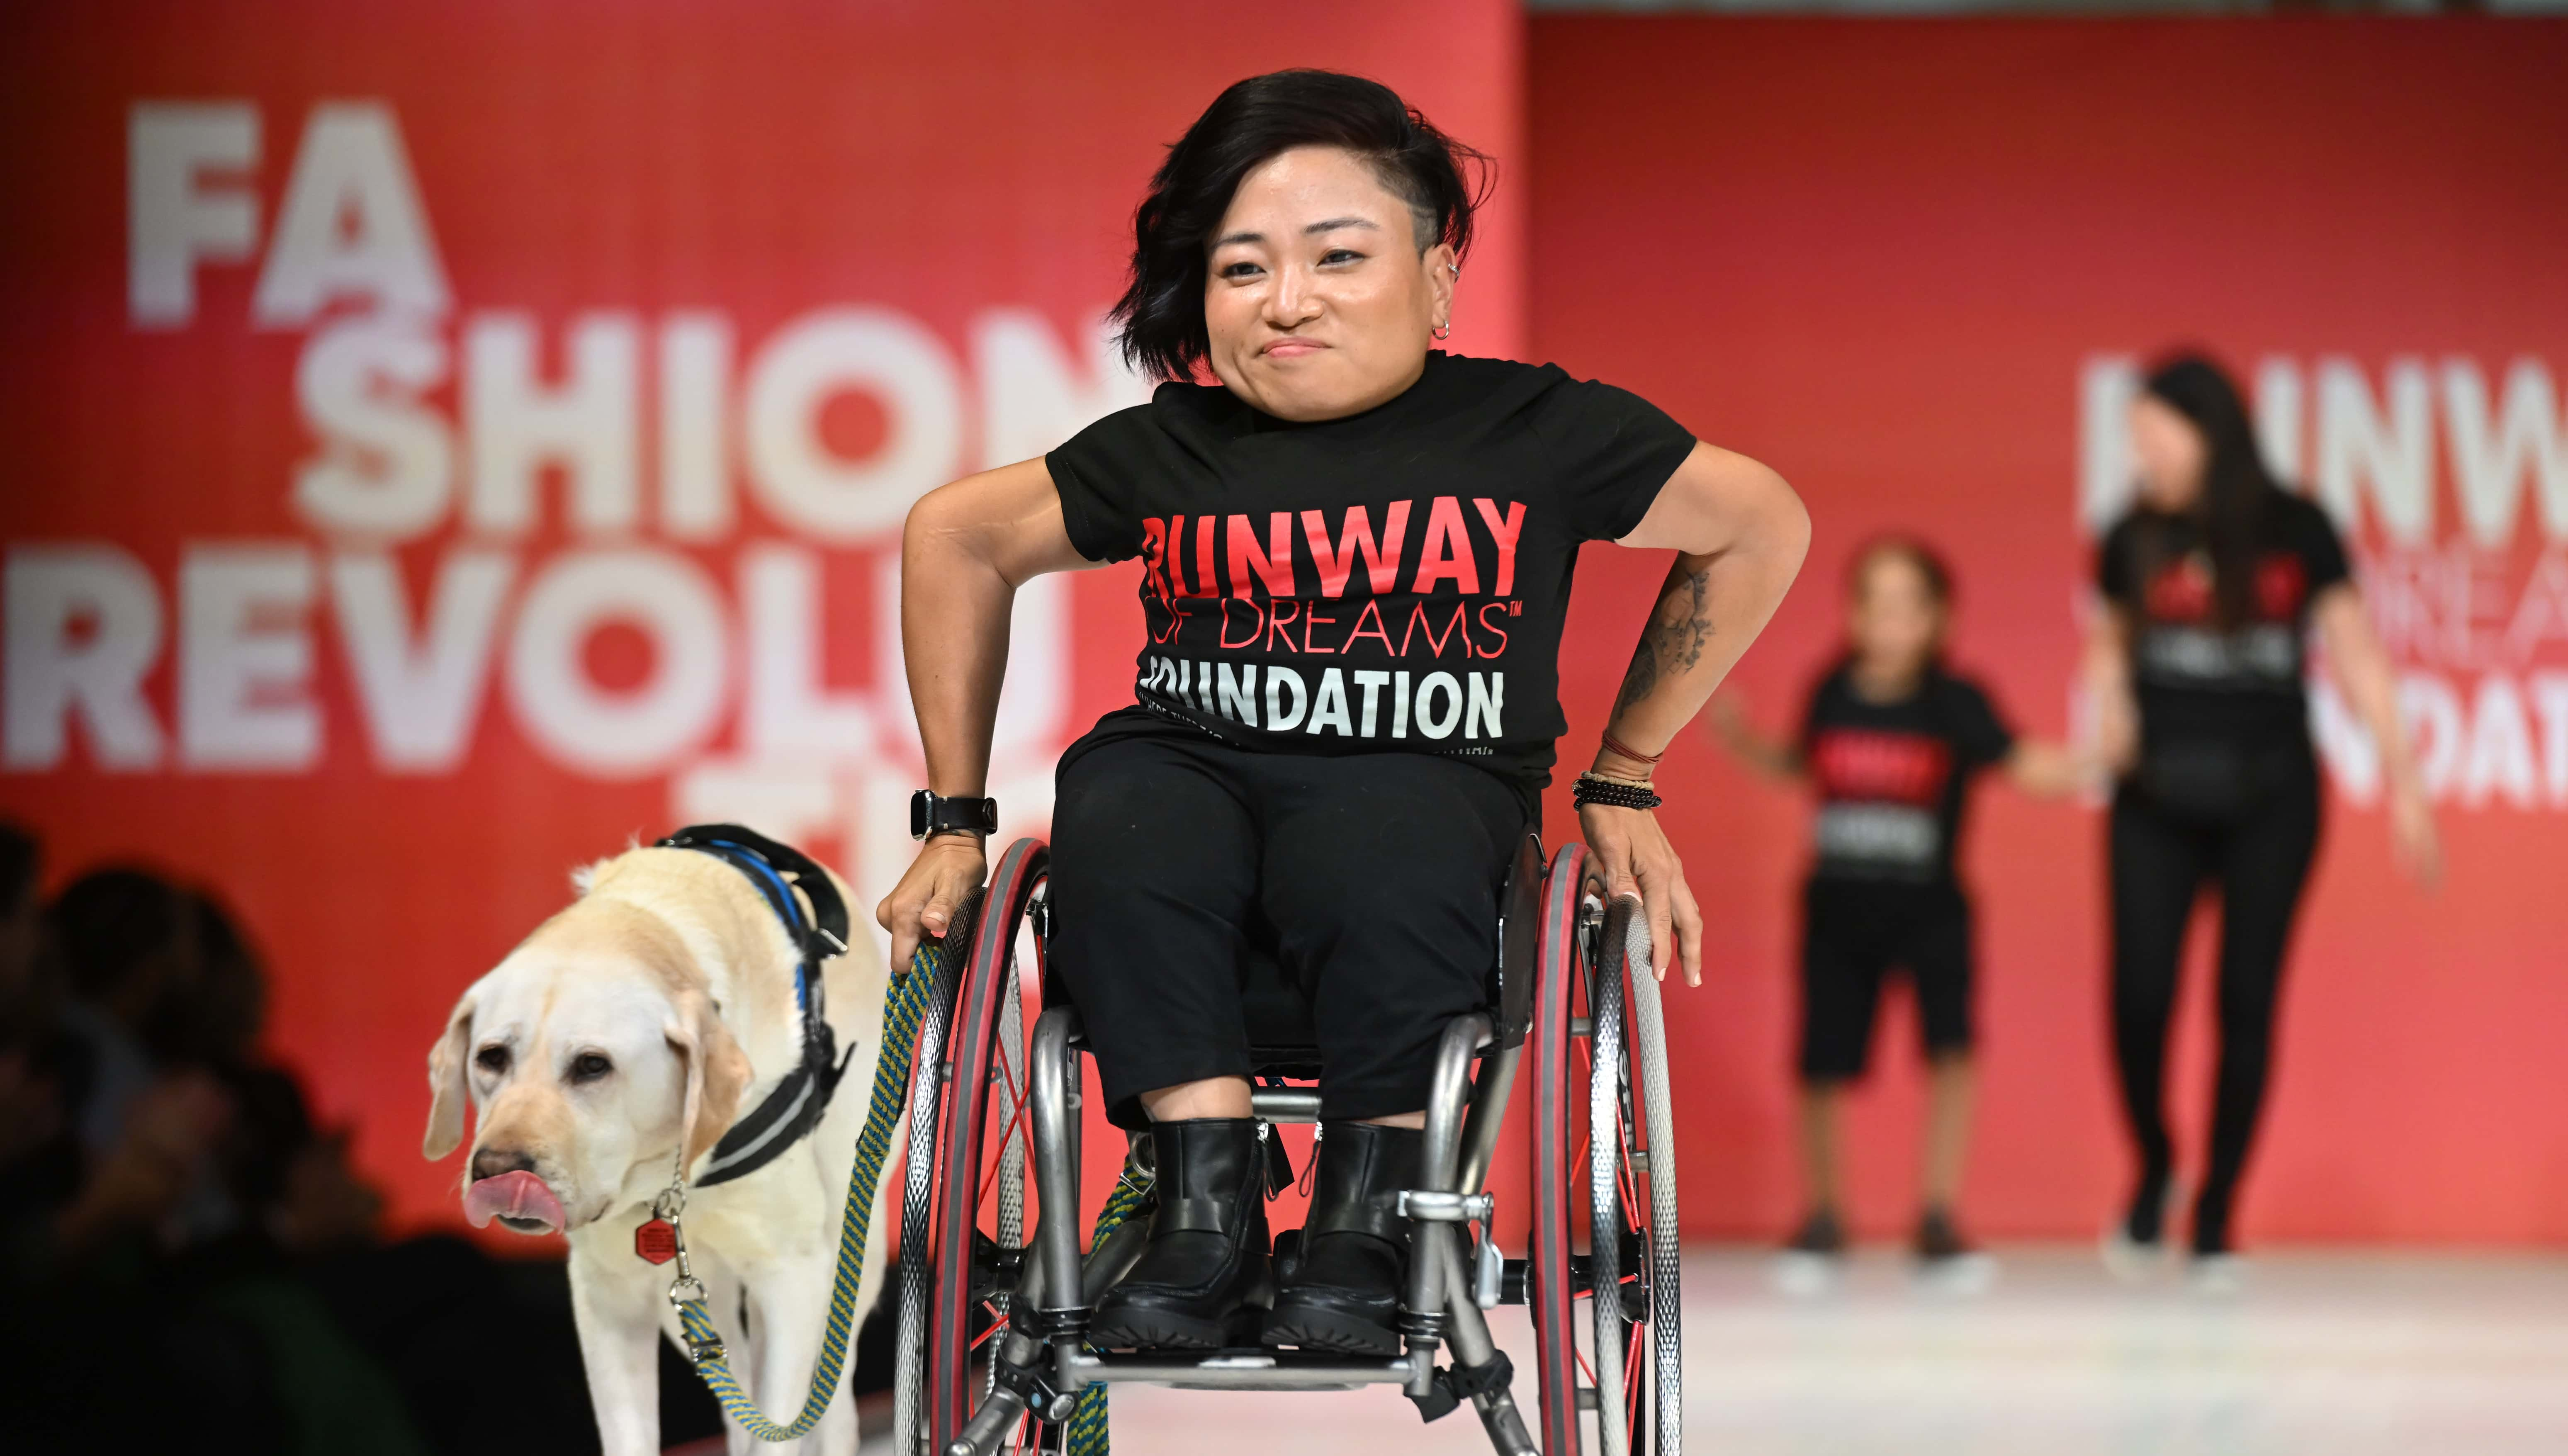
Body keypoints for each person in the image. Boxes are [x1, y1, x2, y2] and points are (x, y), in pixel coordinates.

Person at [878, 69, 1807, 1353]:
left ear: (1436, 278)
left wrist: (1625, 773)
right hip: (1193, 772)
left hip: (1426, 785)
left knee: (1386, 830)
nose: (1286, 301)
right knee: (1119, 801)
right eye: (1242, 268)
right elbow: (955, 537)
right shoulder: (1174, 444)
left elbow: (1759, 525)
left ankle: (1374, 1215)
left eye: (1337, 257)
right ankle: (1206, 1206)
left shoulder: (1530, 428)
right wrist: (953, 822)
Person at [2081, 354, 2438, 1288]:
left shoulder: (2297, 526)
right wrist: (2111, 711)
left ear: (2210, 431)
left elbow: (2356, 649)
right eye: (2135, 435)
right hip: (2155, 795)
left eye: (2156, 432)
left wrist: (2404, 780)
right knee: (2139, 1000)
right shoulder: (2131, 534)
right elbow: (2109, 647)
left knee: (2246, 1001)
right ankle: (2157, 1165)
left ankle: (2217, 1213)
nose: (2141, 451)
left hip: (2271, 795)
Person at [1714, 538, 2089, 1287]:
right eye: (1871, 602)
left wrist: (2095, 759)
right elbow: (1798, 764)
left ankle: (1938, 1216)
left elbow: (2023, 763)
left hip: (1932, 914)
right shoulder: (1830, 690)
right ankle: (1824, 1216)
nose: (1885, 621)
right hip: (1836, 911)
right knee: (1821, 1062)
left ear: (1937, 618)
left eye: (1904, 605)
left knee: (1951, 1053)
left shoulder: (1956, 703)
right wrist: (1743, 744)